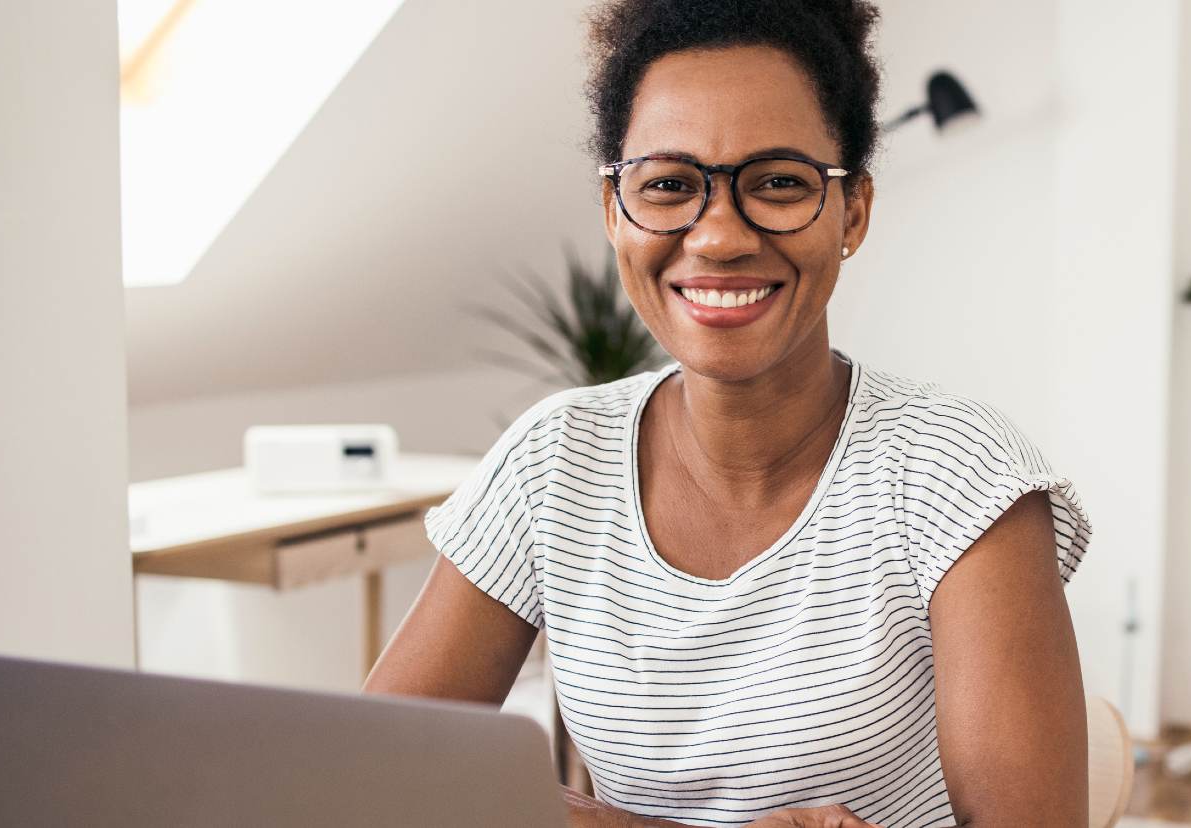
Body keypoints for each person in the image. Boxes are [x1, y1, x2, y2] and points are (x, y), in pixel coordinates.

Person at [363, 2, 1093, 825]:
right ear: (613, 212)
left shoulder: (961, 479)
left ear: (851, 212)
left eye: (778, 183)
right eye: (668, 186)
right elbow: (371, 781)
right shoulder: (552, 461)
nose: (716, 237)